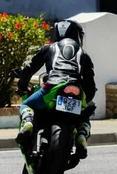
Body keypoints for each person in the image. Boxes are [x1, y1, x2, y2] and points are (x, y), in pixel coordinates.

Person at [16, 19, 96, 158]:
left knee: (26, 104)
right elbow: (90, 85)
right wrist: (86, 103)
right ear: (77, 35)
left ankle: (28, 121)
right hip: (76, 89)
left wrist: (22, 86)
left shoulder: (48, 48)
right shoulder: (83, 54)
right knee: (86, 113)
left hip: (52, 87)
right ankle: (82, 135)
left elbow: (29, 69)